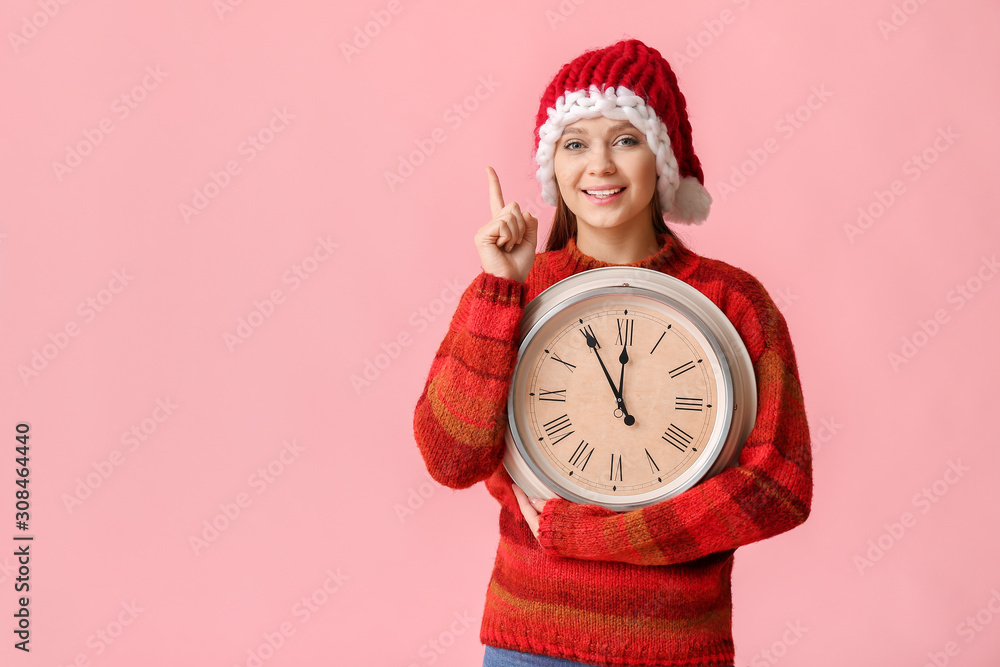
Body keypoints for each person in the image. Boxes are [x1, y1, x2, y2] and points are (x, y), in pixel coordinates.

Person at [412, 37, 813, 667]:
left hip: (676, 648)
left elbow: (777, 486)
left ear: (663, 160)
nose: (599, 166)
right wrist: (500, 286)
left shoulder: (732, 301)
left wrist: (593, 534)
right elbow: (451, 457)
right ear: (554, 168)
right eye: (575, 144)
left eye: (625, 139)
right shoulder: (516, 291)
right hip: (532, 644)